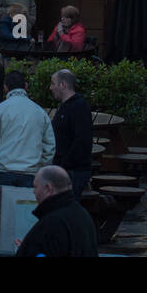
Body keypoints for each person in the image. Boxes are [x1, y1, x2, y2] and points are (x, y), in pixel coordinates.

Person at [0, 70, 55, 188]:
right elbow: (49, 147)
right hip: (31, 173)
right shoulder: (40, 112)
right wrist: (40, 166)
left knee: (0, 206)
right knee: (27, 207)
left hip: (1, 172)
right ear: (26, 86)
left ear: (5, 87)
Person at [15, 166, 99, 258]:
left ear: (48, 188)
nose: (34, 192)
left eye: (35, 187)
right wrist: (30, 248)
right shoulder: (83, 215)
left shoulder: (51, 223)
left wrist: (29, 251)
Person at [50, 68, 93, 197]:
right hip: (64, 169)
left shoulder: (79, 106)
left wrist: (64, 166)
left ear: (63, 85)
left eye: (53, 83)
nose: (50, 88)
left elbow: (82, 140)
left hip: (72, 172)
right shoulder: (64, 107)